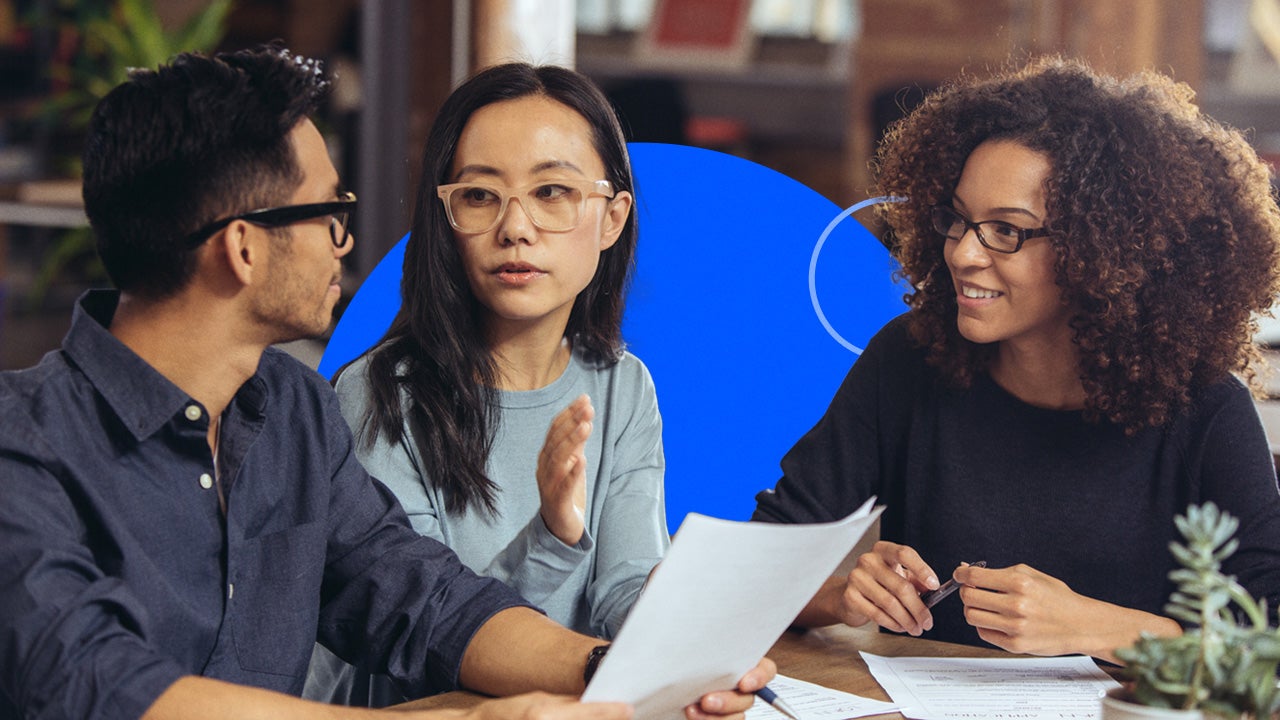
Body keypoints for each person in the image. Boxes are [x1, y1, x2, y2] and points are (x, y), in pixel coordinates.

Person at [0, 45, 773, 720]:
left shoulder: (290, 411)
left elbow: (424, 600)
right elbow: (92, 685)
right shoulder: (23, 444)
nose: (347, 239)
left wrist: (623, 672)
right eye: (329, 212)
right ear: (242, 248)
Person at [753, 56, 1280, 664]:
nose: (963, 255)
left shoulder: (1204, 408)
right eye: (959, 219)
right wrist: (842, 595)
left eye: (1006, 231)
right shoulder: (908, 359)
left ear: (1103, 252)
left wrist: (1097, 629)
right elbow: (765, 558)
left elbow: (1264, 638)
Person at [305, 61, 668, 707]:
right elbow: (426, 633)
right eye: (479, 195)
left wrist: (690, 640)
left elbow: (628, 585)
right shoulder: (379, 394)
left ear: (612, 218)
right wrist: (552, 537)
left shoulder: (623, 384)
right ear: (445, 218)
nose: (516, 227)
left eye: (552, 192)